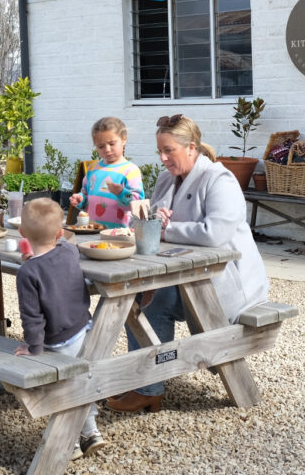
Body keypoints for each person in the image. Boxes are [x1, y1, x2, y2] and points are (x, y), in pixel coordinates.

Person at [105, 114, 269, 414]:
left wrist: (168, 228)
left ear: (191, 147)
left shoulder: (220, 179)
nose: (163, 158)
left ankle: (147, 386)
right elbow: (152, 221)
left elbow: (215, 233)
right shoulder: (169, 178)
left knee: (153, 303)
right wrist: (155, 220)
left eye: (169, 150)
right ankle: (146, 385)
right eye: (160, 151)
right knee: (136, 299)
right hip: (183, 273)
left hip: (224, 282)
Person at [13, 198, 105, 458]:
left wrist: (34, 347)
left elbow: (32, 317)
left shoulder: (28, 273)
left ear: (22, 234)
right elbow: (64, 245)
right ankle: (91, 431)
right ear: (60, 233)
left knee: (62, 387)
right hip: (81, 329)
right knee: (79, 380)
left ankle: (71, 443)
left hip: (56, 340)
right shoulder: (68, 251)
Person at [68, 117, 144, 229]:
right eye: (101, 146)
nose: (107, 149)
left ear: (124, 139)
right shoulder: (92, 169)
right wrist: (80, 199)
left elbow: (136, 200)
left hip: (119, 234)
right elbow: (86, 194)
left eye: (112, 143)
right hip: (93, 231)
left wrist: (122, 193)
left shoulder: (130, 170)